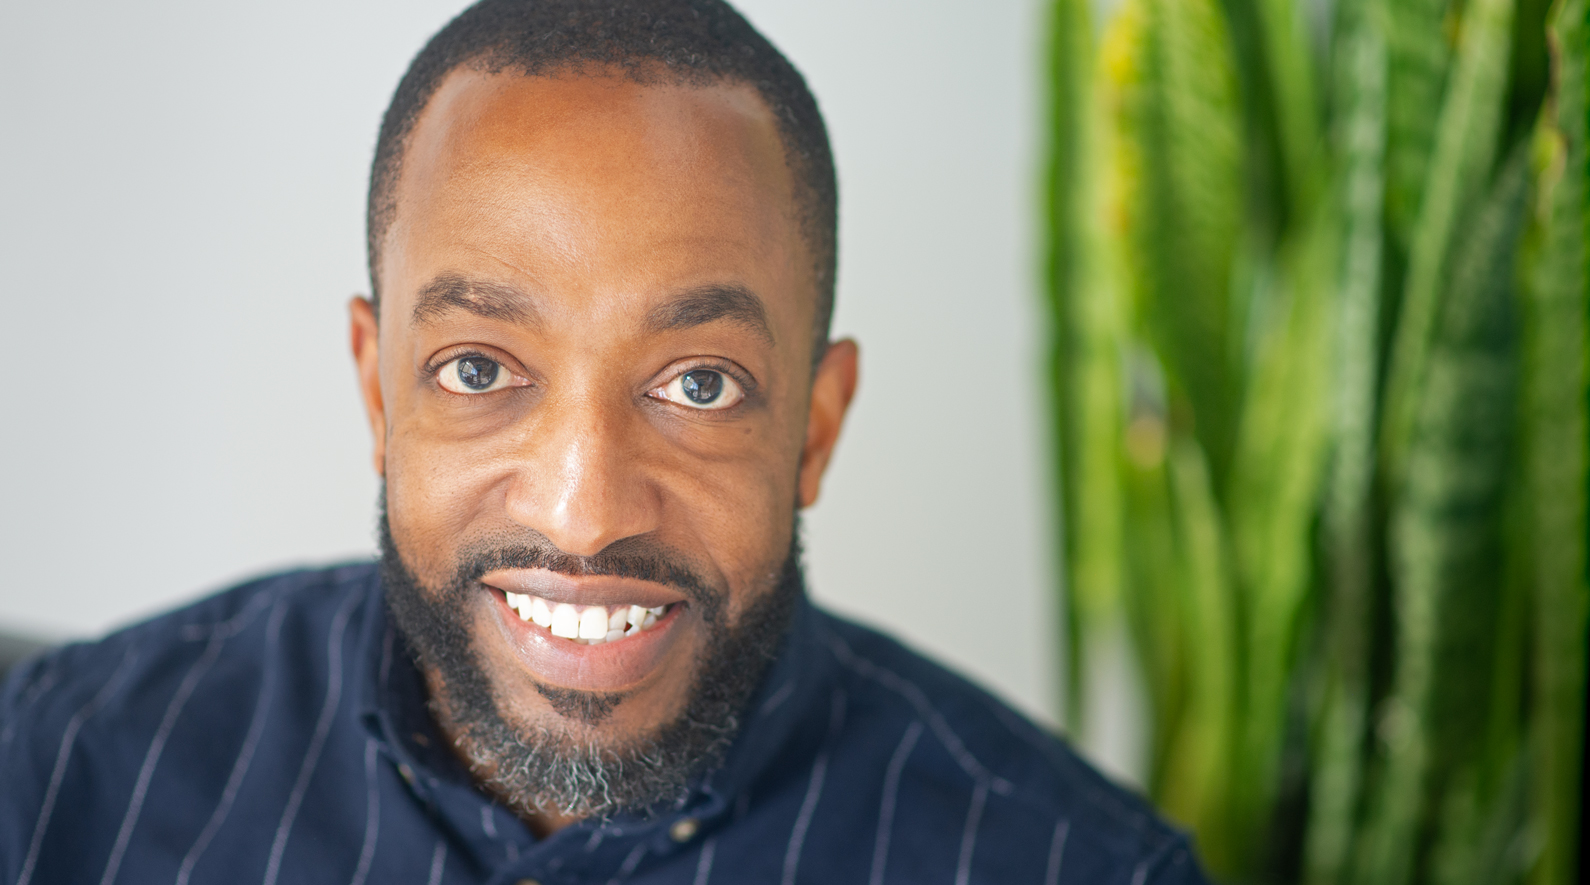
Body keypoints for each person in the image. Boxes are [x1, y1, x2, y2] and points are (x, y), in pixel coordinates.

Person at [0, 1, 1208, 882]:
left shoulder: (1076, 867)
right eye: (479, 370)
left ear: (815, 427)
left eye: (700, 384)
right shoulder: (59, 773)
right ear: (377, 394)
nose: (584, 513)